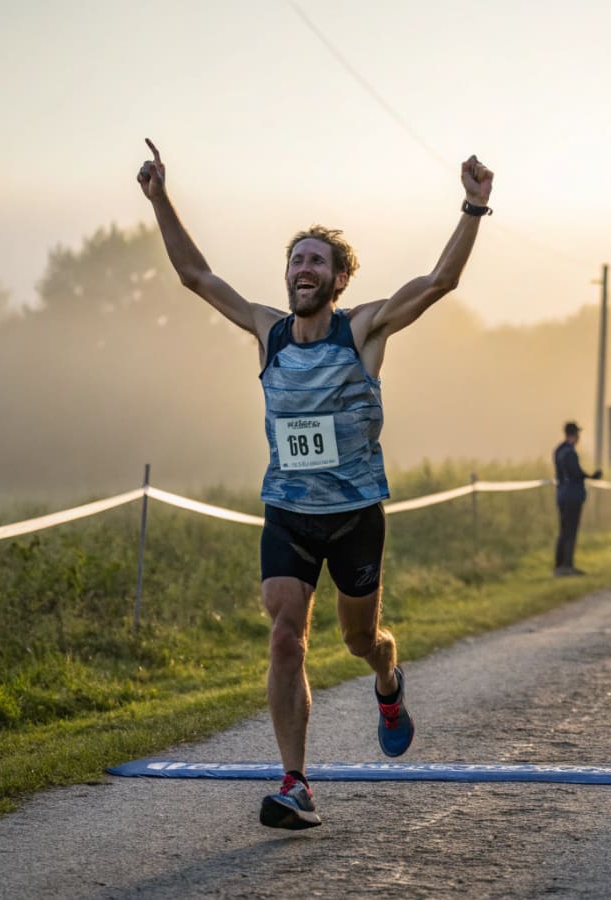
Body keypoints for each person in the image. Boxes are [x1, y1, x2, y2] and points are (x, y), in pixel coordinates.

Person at [136, 138, 494, 829]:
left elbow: (439, 282)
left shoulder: (362, 331)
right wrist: (159, 198)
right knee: (284, 635)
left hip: (356, 514)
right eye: (296, 259)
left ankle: (388, 684)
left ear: (337, 280)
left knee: (362, 640)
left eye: (317, 261)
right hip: (289, 512)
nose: (304, 269)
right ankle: (295, 783)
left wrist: (475, 204)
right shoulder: (266, 331)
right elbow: (196, 277)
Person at [553, 422, 602, 576]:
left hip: (561, 494)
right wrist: (591, 476)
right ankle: (567, 566)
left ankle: (559, 565)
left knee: (563, 530)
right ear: (575, 434)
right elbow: (575, 472)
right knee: (570, 531)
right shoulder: (569, 452)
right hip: (572, 495)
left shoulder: (558, 450)